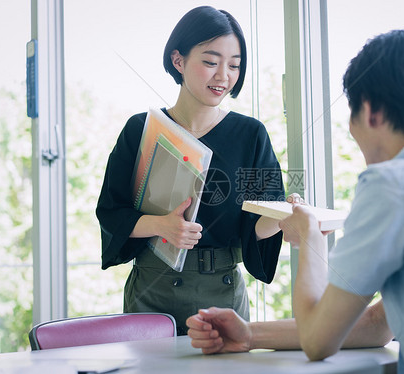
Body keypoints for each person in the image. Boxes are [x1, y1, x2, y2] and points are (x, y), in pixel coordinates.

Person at [187, 29, 404, 373]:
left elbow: (318, 340)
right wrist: (249, 335)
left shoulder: (393, 182)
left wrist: (310, 235)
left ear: (371, 113)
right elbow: (379, 324)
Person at [96, 6, 288, 335]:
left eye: (234, 65)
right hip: (150, 295)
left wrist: (288, 214)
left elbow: (259, 222)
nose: (223, 76)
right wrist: (161, 225)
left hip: (223, 295)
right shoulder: (140, 130)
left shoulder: (251, 135)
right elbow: (111, 212)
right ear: (178, 60)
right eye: (211, 62)